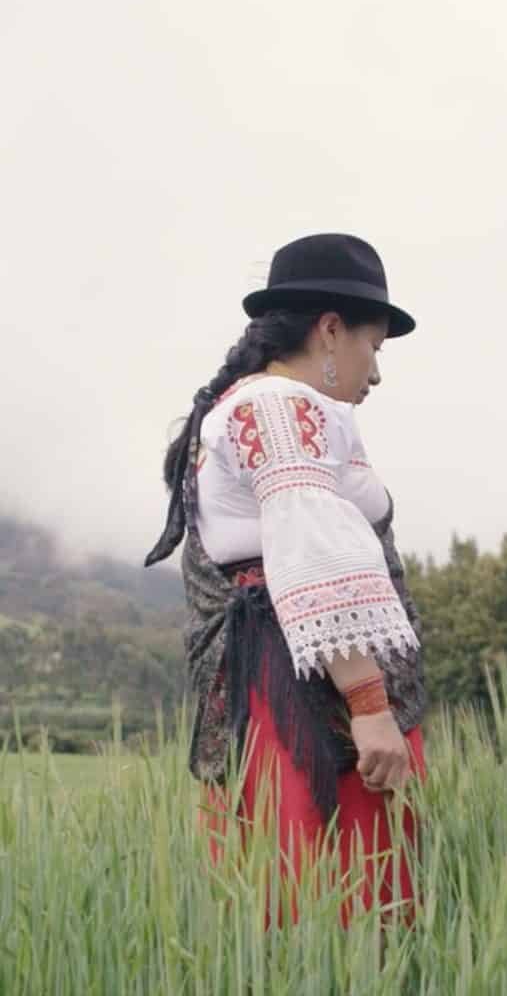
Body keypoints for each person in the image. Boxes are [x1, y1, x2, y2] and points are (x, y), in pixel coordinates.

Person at [145, 233, 427, 924]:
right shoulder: (276, 407)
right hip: (306, 700)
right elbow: (311, 553)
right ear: (330, 329)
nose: (376, 373)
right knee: (332, 894)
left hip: (290, 686)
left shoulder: (263, 406)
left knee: (312, 901)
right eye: (374, 347)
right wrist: (369, 707)